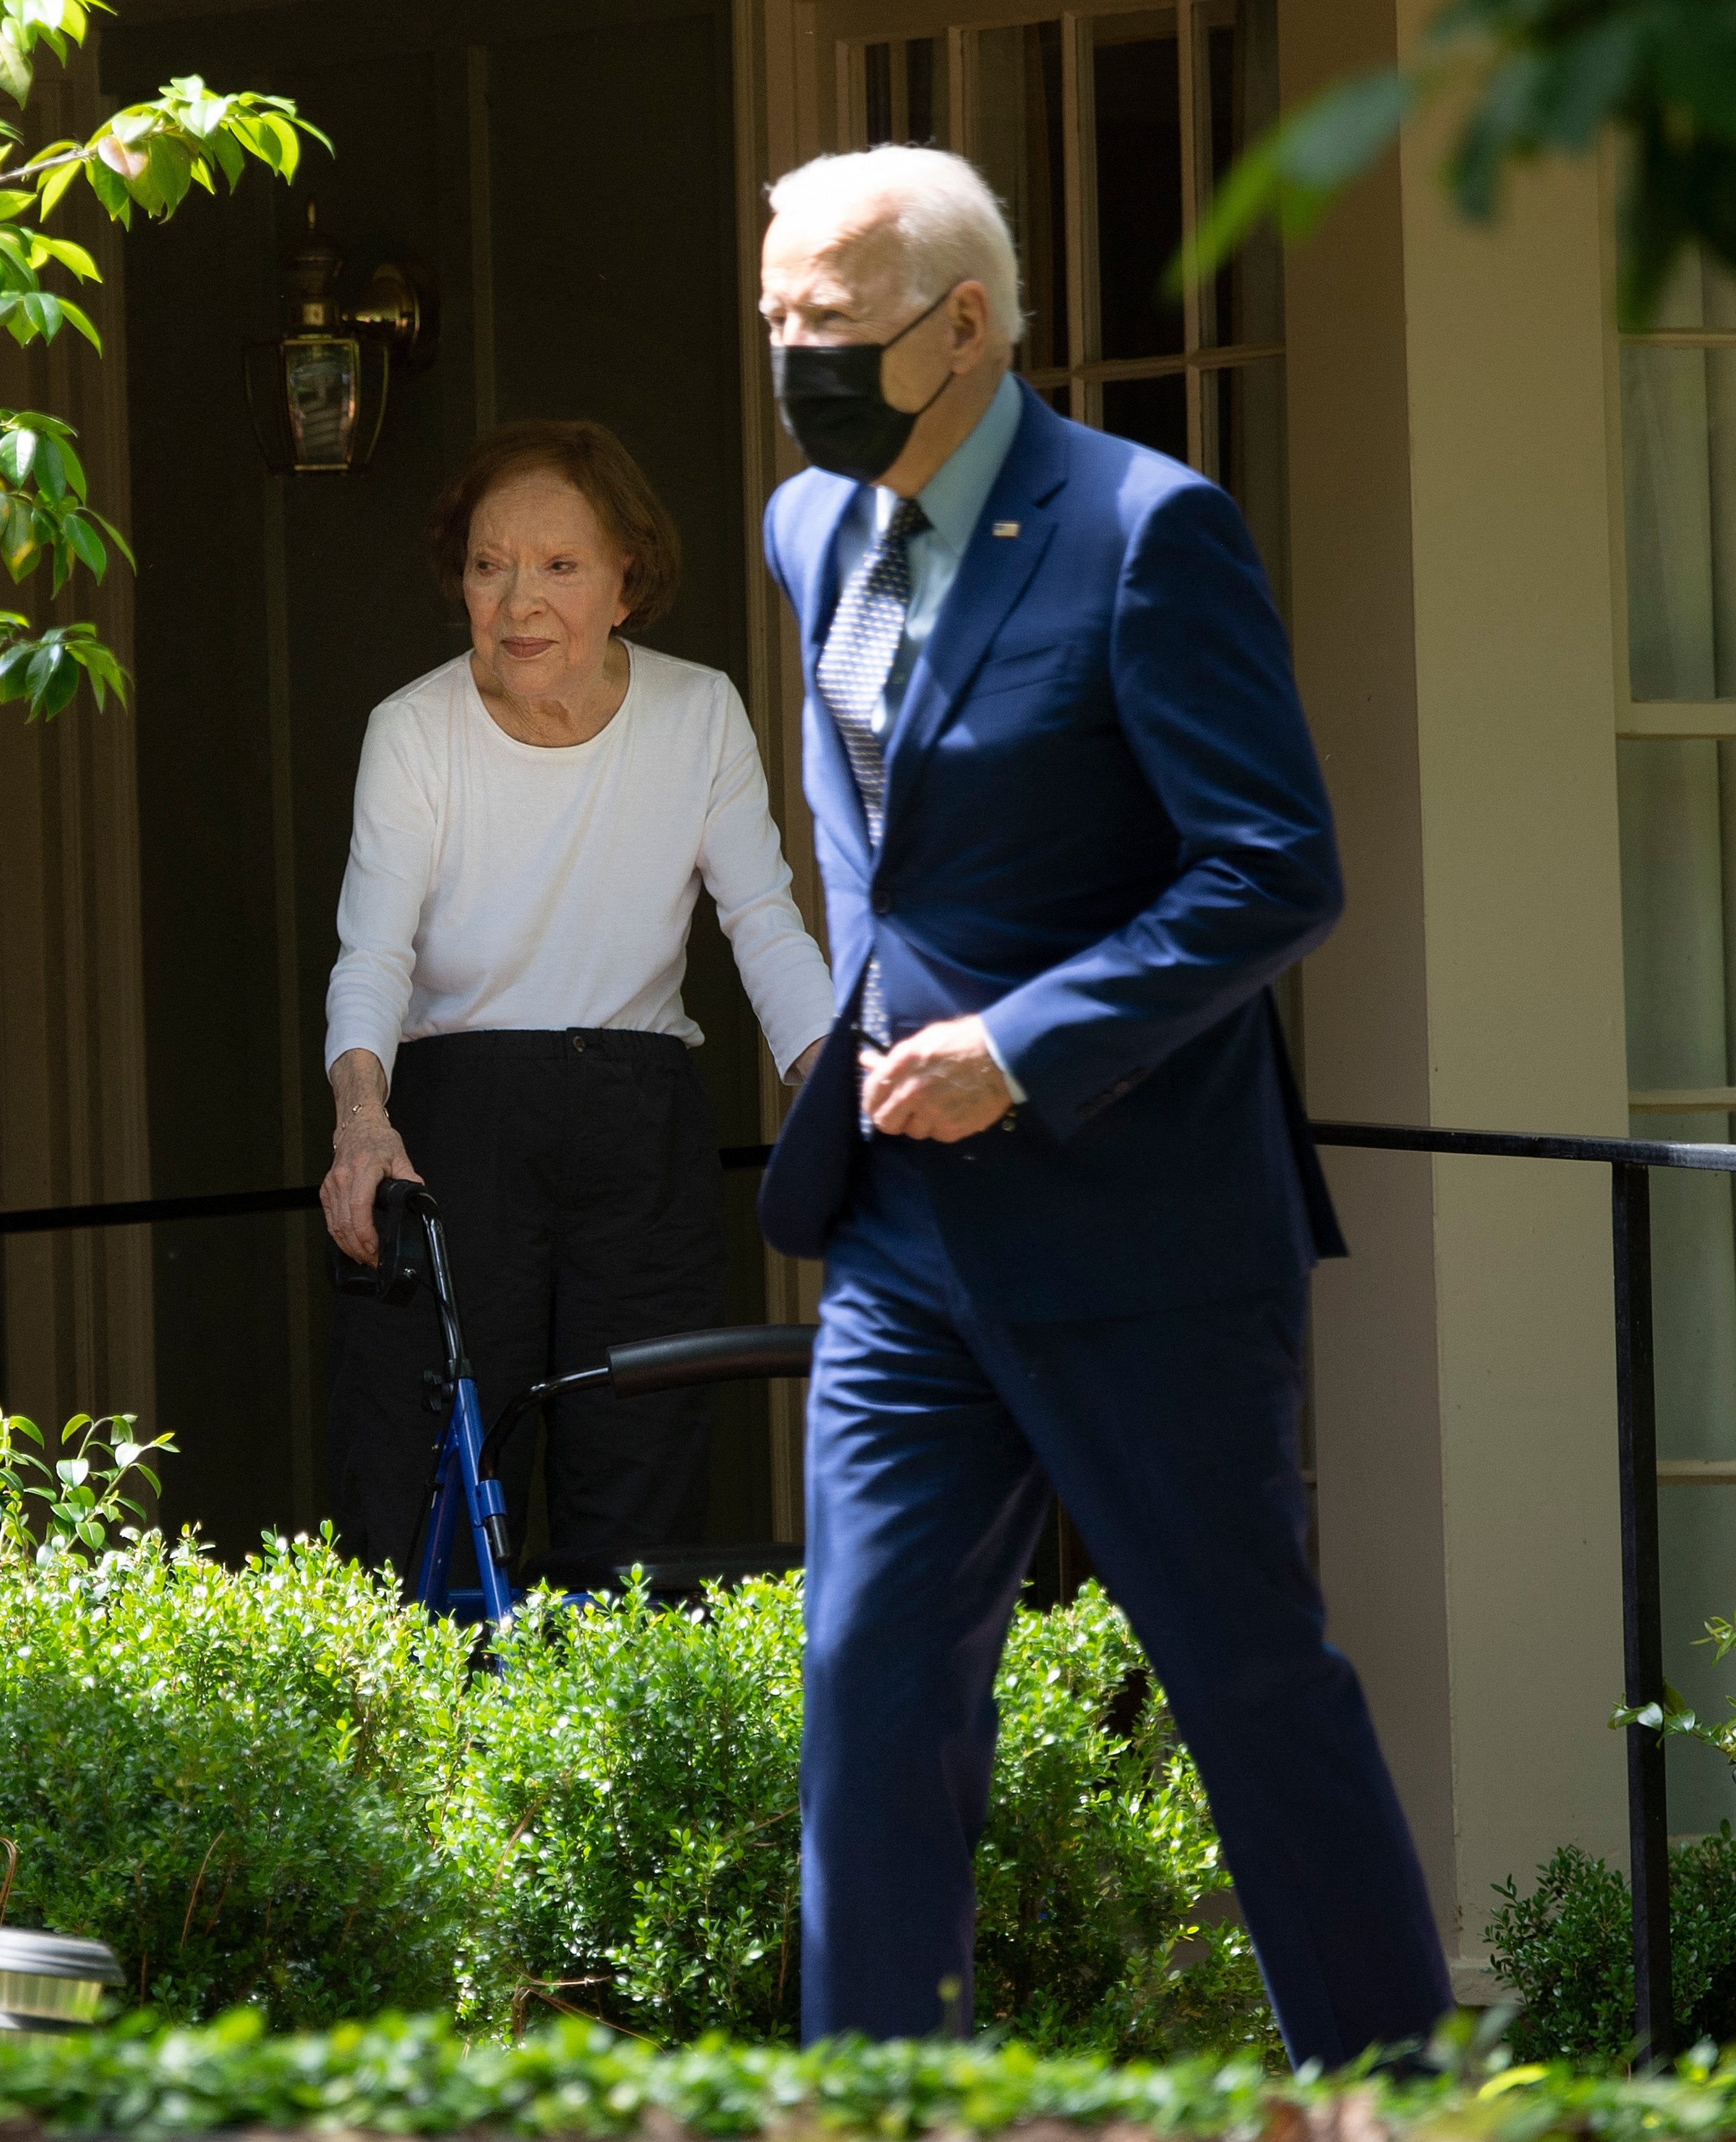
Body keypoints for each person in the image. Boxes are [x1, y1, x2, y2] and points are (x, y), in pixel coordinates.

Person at [753, 146, 1454, 2068]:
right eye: (775, 323)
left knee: (1248, 1686)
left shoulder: (1147, 533)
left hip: (1143, 1231)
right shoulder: (809, 531)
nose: (793, 363)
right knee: (870, 1690)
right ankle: (886, 2105)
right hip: (902, 1233)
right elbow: (878, 853)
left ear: (960, 327)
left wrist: (1027, 1045)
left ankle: (1391, 2094)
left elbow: (1271, 868)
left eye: (829, 327)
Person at [320, 419, 832, 1586]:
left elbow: (765, 922)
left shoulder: (697, 714)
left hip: (641, 1131)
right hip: (453, 1131)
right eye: (490, 565)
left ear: (626, 582)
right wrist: (364, 1120)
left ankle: (608, 1769)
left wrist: (832, 1084)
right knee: (424, 1486)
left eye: (559, 566)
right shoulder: (414, 729)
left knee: (641, 1491)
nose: (518, 602)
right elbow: (372, 955)